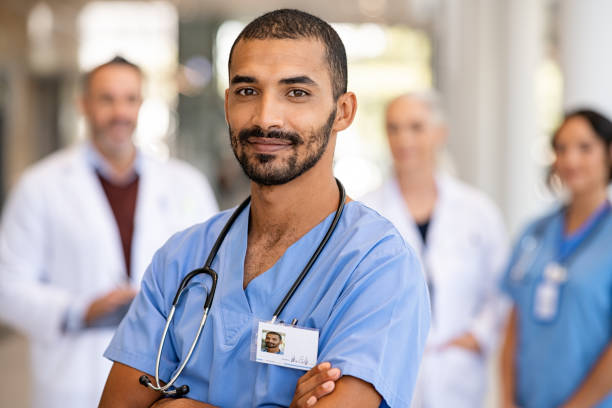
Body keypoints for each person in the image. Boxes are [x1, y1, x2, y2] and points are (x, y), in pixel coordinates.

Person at [99, 9, 430, 408]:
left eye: (296, 93)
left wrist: (177, 404)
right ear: (227, 104)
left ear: (343, 112)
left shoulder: (379, 265)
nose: (265, 117)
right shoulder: (182, 257)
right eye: (247, 91)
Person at [0, 57, 219, 408]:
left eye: (130, 99)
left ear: (141, 105)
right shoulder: (39, 186)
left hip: (165, 378)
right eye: (107, 99)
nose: (120, 112)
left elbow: (215, 277)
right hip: (73, 376)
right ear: (83, 104)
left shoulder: (186, 184)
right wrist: (79, 309)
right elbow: (6, 285)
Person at [361, 92, 508, 408]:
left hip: (459, 375)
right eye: (394, 128)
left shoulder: (477, 210)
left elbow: (499, 288)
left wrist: (477, 337)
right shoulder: (365, 213)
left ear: (440, 133)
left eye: (416, 127)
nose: (404, 139)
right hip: (390, 374)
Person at [500, 109, 612, 408]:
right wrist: (507, 399)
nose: (570, 160)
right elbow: (514, 323)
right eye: (561, 148)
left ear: (608, 154)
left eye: (584, 148)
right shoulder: (534, 232)